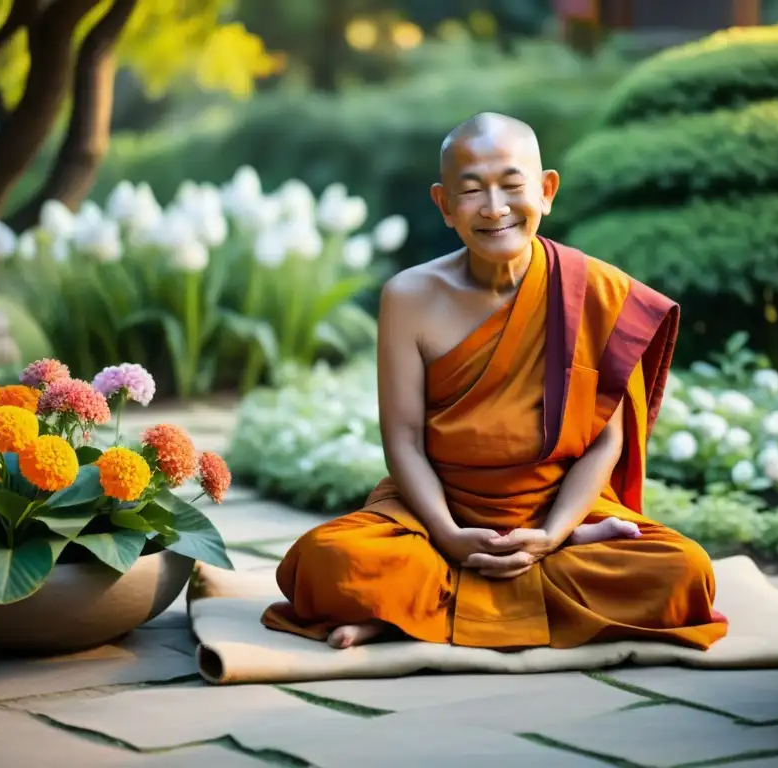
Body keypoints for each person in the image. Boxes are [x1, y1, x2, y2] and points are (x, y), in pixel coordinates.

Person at [262, 112, 729, 651]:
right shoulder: (410, 297)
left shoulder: (595, 291)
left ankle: (411, 611)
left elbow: (607, 440)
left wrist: (552, 533)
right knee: (329, 561)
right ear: (443, 205)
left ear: (547, 190)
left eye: (512, 185)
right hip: (437, 514)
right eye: (471, 191)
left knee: (684, 571)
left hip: (557, 508)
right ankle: (466, 591)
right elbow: (406, 441)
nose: (494, 207)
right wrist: (449, 536)